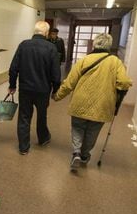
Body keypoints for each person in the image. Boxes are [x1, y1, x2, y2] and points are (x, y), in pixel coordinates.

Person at [53, 33, 132, 171]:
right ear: (109, 46)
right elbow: (124, 82)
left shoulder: (84, 60)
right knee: (92, 131)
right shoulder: (115, 61)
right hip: (102, 104)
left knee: (77, 128)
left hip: (80, 101)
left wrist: (57, 96)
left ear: (94, 44)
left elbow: (69, 83)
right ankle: (84, 155)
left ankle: (76, 151)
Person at [9, 21, 61, 155]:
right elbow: (56, 74)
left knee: (24, 117)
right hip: (43, 90)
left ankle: (23, 147)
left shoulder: (23, 45)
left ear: (35, 31)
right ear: (46, 33)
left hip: (25, 89)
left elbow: (14, 68)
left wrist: (12, 85)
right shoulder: (51, 48)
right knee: (42, 115)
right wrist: (55, 90)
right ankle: (43, 138)